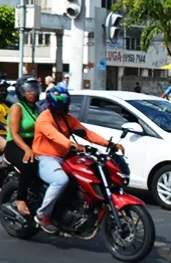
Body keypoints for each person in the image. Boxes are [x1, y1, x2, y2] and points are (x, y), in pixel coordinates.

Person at [33, 85, 119, 232]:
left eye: (65, 105)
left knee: (86, 173)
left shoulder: (68, 119)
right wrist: (72, 145)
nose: (65, 109)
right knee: (60, 180)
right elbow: (55, 136)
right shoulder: (44, 119)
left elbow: (86, 133)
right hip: (45, 157)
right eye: (61, 106)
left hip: (64, 157)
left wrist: (109, 144)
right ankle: (42, 215)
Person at [4, 76, 42, 215]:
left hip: (34, 143)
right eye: (28, 90)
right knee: (29, 163)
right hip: (16, 144)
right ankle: (20, 198)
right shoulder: (17, 108)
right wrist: (27, 149)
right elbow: (14, 133)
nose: (32, 93)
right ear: (21, 92)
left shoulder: (37, 108)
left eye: (34, 90)